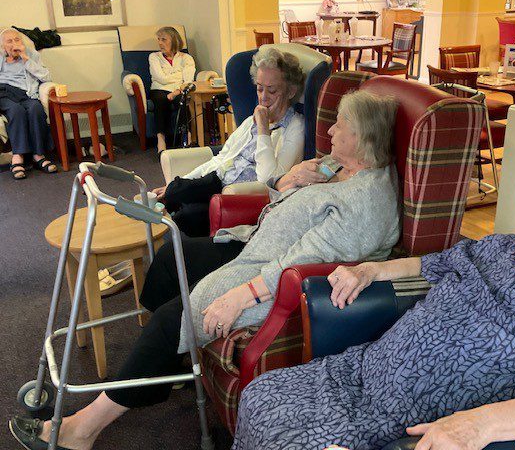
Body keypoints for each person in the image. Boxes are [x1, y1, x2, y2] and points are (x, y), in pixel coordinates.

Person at [9, 90, 401, 449]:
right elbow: (281, 200)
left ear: (362, 136)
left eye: (339, 125)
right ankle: (164, 362)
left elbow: (305, 259)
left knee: (174, 318)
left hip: (276, 279)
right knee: (169, 258)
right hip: (254, 243)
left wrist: (242, 294)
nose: (329, 130)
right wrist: (290, 179)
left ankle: (82, 430)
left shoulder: (365, 200)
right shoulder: (335, 165)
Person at [231, 147, 515, 450]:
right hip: (361, 374)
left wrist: (477, 425)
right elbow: (432, 264)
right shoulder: (502, 247)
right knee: (260, 395)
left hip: (405, 419)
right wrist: (370, 270)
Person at [152, 46, 307, 237]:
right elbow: (222, 158)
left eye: (272, 90)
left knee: (186, 215)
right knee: (177, 191)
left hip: (239, 196)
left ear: (291, 91)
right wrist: (183, 182)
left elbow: (270, 179)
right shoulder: (251, 121)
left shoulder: (295, 127)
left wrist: (263, 130)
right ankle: (156, 209)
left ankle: (160, 209)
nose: (263, 97)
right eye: (259, 88)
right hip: (217, 181)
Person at [0, 28, 56, 180]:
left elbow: (47, 77)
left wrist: (25, 59)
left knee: (35, 108)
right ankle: (17, 156)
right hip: (4, 93)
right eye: (9, 41)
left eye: (17, 39)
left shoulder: (31, 55)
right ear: (3, 46)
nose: (14, 43)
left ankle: (38, 154)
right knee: (16, 110)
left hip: (26, 93)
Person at [148, 26, 196, 154]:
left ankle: (187, 137)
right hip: (159, 89)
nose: (160, 43)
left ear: (174, 40)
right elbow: (161, 78)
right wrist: (179, 76)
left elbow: (188, 80)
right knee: (160, 100)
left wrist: (177, 91)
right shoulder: (154, 57)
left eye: (163, 39)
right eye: (159, 39)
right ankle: (161, 139)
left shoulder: (186, 58)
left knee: (182, 100)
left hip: (179, 90)